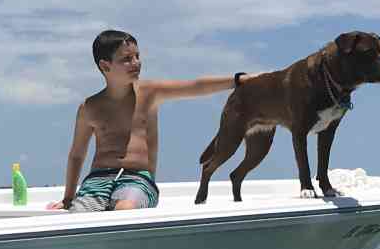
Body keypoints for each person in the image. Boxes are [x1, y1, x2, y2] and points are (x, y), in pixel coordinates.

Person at [50, 30, 242, 211]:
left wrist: (237, 80)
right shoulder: (89, 107)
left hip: (137, 179)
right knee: (80, 214)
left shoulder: (150, 93)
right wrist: (68, 198)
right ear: (105, 66)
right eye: (126, 59)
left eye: (137, 56)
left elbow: (195, 86)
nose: (136, 63)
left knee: (125, 209)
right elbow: (77, 154)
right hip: (97, 180)